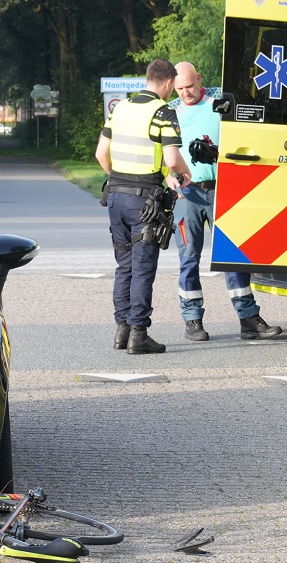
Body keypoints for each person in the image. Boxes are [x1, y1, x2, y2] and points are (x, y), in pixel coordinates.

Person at [172, 62, 281, 342]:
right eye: (180, 88)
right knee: (189, 258)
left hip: (224, 189)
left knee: (234, 256)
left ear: (199, 79)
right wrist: (167, 177)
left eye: (190, 86)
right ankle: (192, 319)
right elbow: (159, 148)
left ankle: (248, 318)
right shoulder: (171, 111)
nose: (186, 93)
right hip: (188, 193)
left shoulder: (222, 101)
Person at [95, 59, 192, 354]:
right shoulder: (163, 111)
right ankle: (139, 334)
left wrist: (120, 179)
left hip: (115, 196)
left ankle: (121, 331)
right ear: (166, 83)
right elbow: (173, 159)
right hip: (144, 201)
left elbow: (101, 153)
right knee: (143, 267)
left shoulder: (120, 108)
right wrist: (183, 173)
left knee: (123, 265)